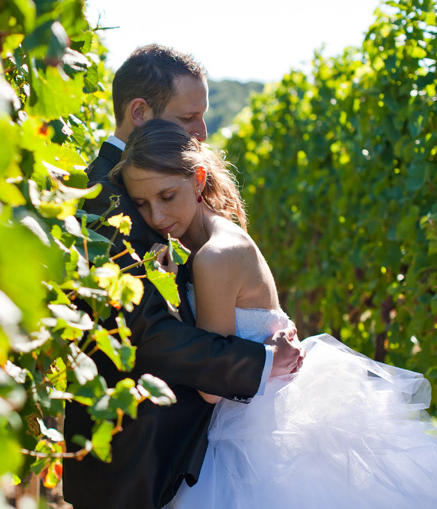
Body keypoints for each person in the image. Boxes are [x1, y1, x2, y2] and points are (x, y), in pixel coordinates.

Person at [111, 119, 437, 509]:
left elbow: (211, 388)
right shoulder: (198, 243)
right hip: (254, 408)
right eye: (143, 204)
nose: (157, 217)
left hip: (253, 429)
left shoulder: (214, 256)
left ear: (198, 180)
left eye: (167, 196)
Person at [62, 45, 304, 509]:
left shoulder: (149, 188)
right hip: (135, 455)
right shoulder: (104, 198)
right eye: (189, 116)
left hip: (179, 452)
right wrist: (260, 361)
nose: (202, 131)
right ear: (140, 112)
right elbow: (147, 330)